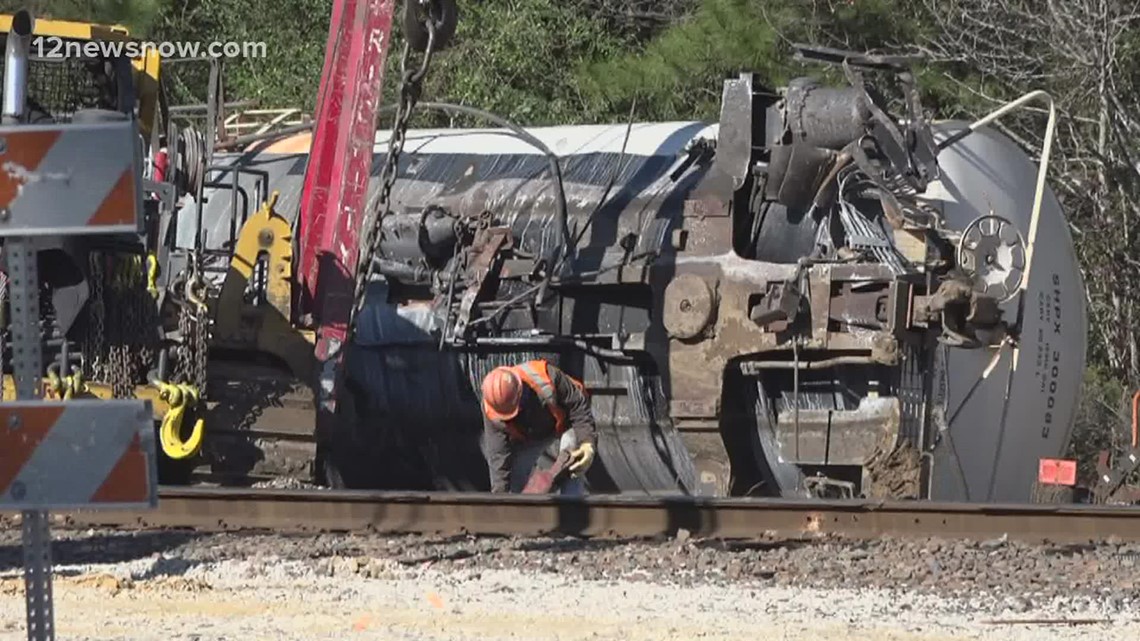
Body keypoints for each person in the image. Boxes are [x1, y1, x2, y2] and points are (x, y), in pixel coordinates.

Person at [479, 359, 597, 494]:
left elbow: (578, 407)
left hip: (568, 422)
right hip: (535, 432)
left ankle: (571, 510)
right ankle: (522, 511)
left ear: (520, 395)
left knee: (573, 465)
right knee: (516, 475)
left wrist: (587, 442)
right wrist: (500, 501)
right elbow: (498, 455)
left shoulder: (545, 376)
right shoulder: (493, 408)